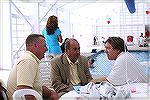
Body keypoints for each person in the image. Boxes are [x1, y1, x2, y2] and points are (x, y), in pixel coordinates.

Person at [7, 34, 58, 100]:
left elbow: (36, 86)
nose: (46, 49)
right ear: (35, 45)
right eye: (44, 46)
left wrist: (51, 92)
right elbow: (24, 93)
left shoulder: (30, 59)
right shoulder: (28, 60)